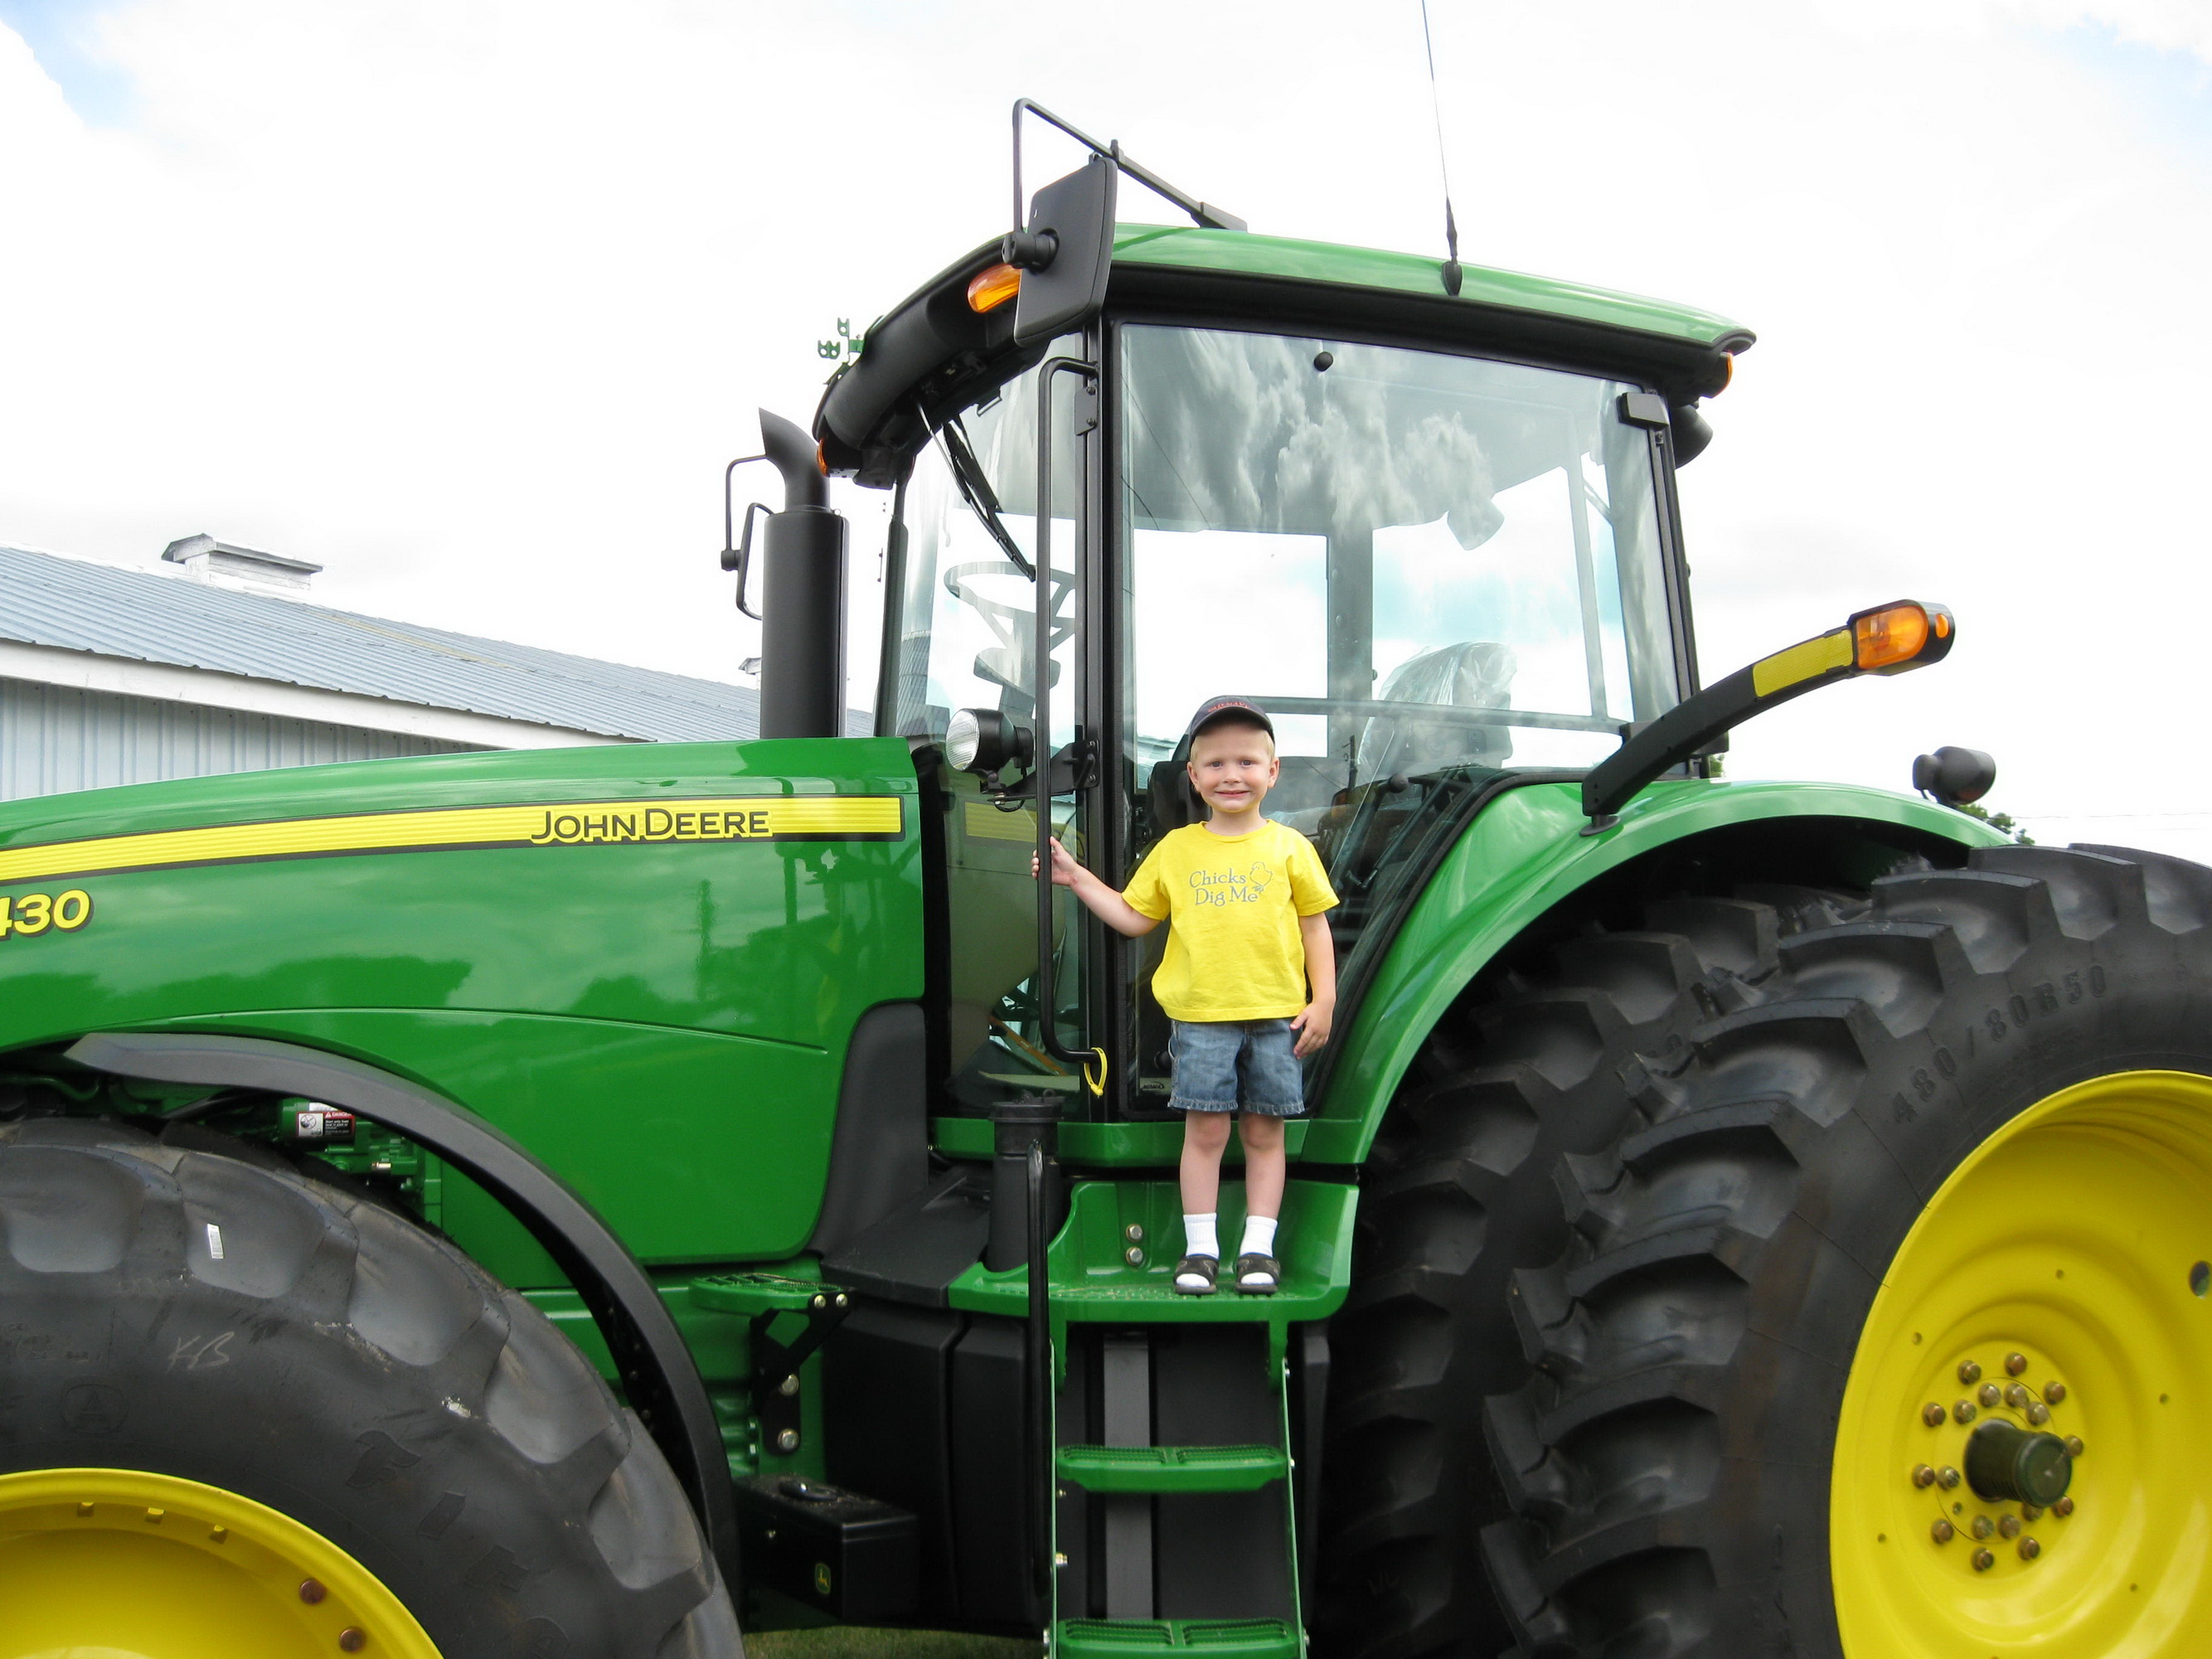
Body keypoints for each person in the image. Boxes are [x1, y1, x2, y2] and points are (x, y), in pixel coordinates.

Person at [1038, 697, 1338, 1294]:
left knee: (1264, 1133)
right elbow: (1131, 916)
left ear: (1272, 773)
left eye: (1248, 762)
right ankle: (1201, 1251)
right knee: (1204, 1134)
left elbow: (1314, 926)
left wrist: (1323, 999)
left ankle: (1257, 1250)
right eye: (1217, 764)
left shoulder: (1290, 848)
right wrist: (1077, 879)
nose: (1233, 775)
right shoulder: (1176, 850)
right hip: (1200, 1021)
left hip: (1276, 1018)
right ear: (1194, 778)